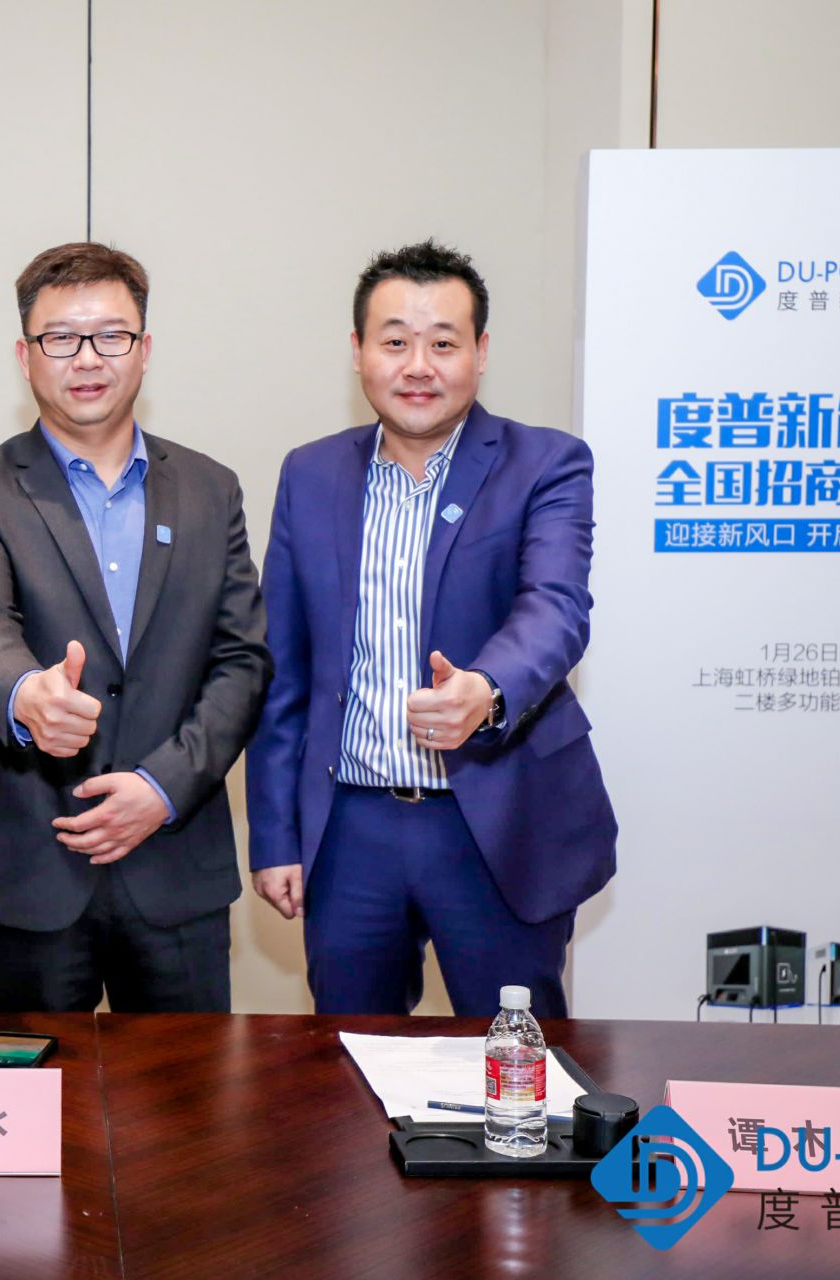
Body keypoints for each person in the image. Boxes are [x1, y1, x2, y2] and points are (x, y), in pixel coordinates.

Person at [245, 239, 616, 1018]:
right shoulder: (309, 474)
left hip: (496, 818)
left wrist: (487, 687)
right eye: (395, 342)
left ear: (481, 352)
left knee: (514, 1058)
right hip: (350, 829)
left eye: (444, 343)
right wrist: (276, 834)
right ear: (358, 351)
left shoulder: (545, 464)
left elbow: (555, 605)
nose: (419, 366)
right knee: (347, 1058)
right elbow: (285, 669)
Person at [0, 242, 270, 1013]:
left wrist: (164, 785)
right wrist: (24, 691)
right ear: (25, 356)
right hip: (29, 869)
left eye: (111, 335)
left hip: (176, 861)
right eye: (60, 338)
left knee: (189, 1089)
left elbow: (242, 661)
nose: (87, 358)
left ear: (144, 349)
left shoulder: (211, 489)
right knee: (37, 1088)